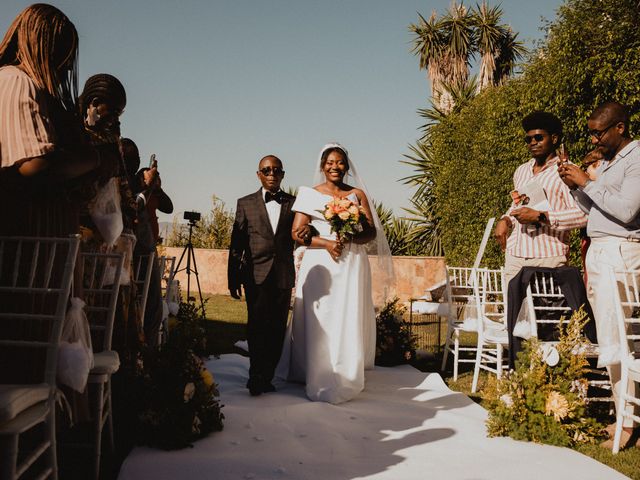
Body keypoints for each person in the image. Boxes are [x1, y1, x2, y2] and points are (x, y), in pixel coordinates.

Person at [277, 143, 393, 404]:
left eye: (340, 162)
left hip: (351, 261)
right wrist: (328, 243)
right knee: (322, 314)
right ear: (322, 166)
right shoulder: (308, 194)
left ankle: (346, 370)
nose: (335, 167)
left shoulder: (357, 194)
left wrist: (351, 231)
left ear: (347, 166)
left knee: (347, 312)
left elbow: (371, 233)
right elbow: (297, 234)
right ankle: (312, 369)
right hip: (321, 262)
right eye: (330, 162)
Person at [558, 101, 640, 445]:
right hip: (601, 251)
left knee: (620, 340)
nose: (594, 140)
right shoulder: (609, 163)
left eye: (598, 132)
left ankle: (627, 423)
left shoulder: (636, 157)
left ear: (620, 127)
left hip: (621, 252)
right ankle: (624, 415)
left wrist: (587, 182)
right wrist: (575, 186)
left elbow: (626, 209)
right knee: (610, 338)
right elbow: (595, 210)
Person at [228, 155, 299, 396]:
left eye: (276, 170)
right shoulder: (245, 203)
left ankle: (267, 374)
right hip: (254, 274)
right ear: (258, 174)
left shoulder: (294, 203)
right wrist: (233, 278)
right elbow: (236, 243)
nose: (271, 174)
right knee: (257, 325)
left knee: (277, 328)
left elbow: (301, 234)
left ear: (283, 174)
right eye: (266, 170)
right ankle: (256, 375)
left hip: (282, 274)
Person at [494, 111, 587, 287]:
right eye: (528, 139)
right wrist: (506, 219)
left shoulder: (567, 171)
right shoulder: (521, 171)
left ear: (554, 138)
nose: (533, 143)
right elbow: (518, 203)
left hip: (548, 257)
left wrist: (541, 216)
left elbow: (583, 215)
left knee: (548, 314)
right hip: (515, 255)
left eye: (538, 137)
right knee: (515, 313)